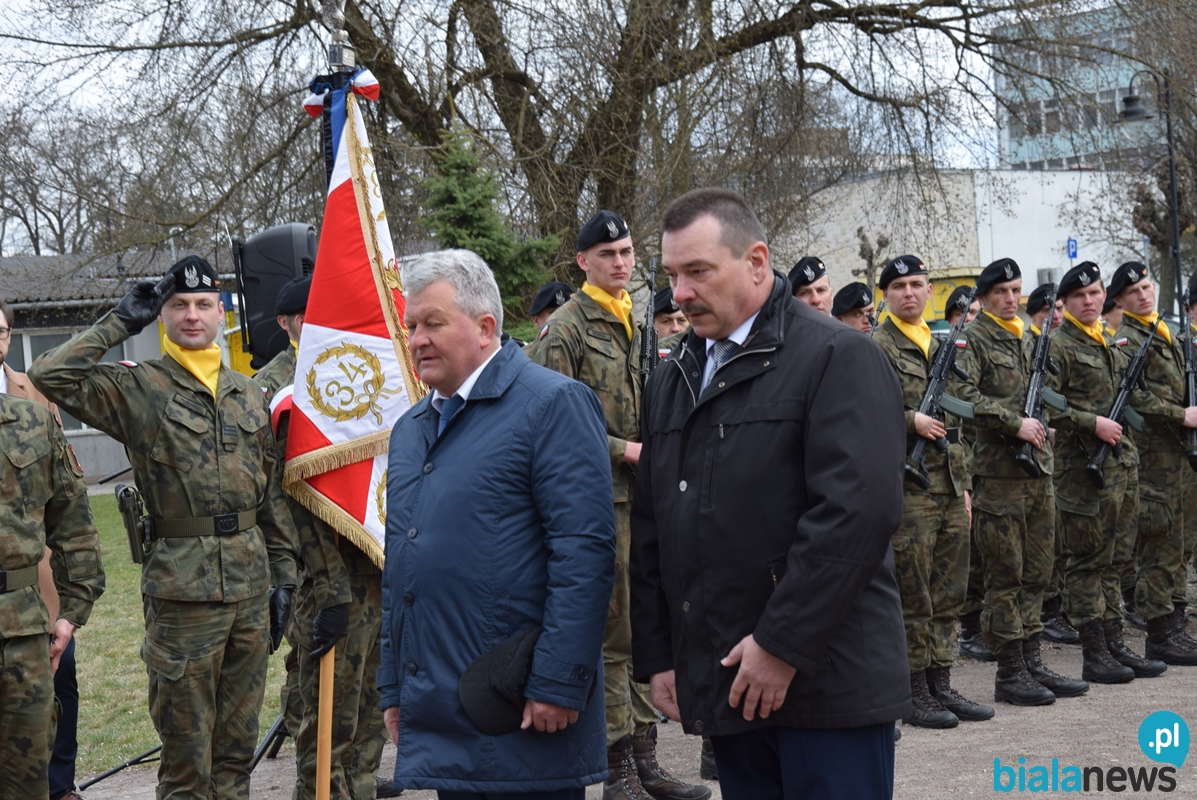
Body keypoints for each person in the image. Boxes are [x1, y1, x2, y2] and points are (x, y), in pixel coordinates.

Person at [631, 188, 910, 799]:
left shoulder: (838, 356)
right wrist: (661, 655)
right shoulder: (671, 378)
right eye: (672, 276)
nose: (680, 293)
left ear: (756, 262)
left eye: (697, 271)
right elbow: (655, 522)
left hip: (826, 685)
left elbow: (856, 514)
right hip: (733, 684)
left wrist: (779, 645)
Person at [29, 255, 300, 799]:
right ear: (162, 315)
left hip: (250, 593)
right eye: (179, 305)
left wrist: (285, 576)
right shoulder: (140, 388)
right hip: (182, 601)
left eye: (203, 304)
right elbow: (48, 375)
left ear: (221, 313)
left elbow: (268, 494)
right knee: (186, 763)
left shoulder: (247, 392)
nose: (192, 315)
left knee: (235, 755)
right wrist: (118, 323)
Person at [378, 248, 615, 798]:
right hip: (443, 707)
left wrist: (558, 680)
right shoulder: (412, 429)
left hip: (520, 705)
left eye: (433, 323)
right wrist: (394, 687)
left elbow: (584, 554)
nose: (417, 340)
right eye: (412, 326)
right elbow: (401, 571)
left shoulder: (552, 405)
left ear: (486, 328)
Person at [531, 211, 708, 800]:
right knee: (610, 638)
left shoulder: (636, 321)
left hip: (646, 498)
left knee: (642, 628)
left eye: (628, 252)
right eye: (607, 254)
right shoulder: (567, 329)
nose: (621, 262)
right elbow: (550, 422)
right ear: (582, 261)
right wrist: (625, 449)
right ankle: (616, 768)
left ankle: (646, 757)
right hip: (596, 502)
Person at [254, 275, 393, 800]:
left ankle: (361, 787)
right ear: (286, 323)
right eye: (307, 316)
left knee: (373, 704)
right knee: (328, 714)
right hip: (322, 573)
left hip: (375, 560)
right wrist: (324, 582)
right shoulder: (275, 388)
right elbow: (280, 498)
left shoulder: (365, 369)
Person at [954, 258, 1088, 706]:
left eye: (1015, 290)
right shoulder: (972, 340)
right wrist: (1015, 423)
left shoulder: (1029, 338)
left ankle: (1032, 659)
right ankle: (1010, 670)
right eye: (1001, 292)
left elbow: (1043, 394)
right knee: (1005, 573)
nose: (1011, 298)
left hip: (1038, 472)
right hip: (999, 476)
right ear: (984, 297)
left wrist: (1043, 422)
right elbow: (961, 397)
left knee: (1038, 571)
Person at [872, 256, 991, 729]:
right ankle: (913, 689)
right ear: (885, 295)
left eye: (917, 284)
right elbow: (862, 412)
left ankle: (941, 681)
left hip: (949, 485)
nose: (909, 293)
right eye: (899, 285)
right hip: (909, 488)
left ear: (929, 291)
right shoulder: (875, 347)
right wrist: (910, 421)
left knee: (949, 591)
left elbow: (959, 420)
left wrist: (964, 485)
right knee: (914, 594)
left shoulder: (942, 343)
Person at [1047, 262, 1163, 683]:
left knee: (1116, 559)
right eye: (1079, 296)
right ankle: (1094, 651)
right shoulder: (1058, 346)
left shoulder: (1108, 340)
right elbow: (1044, 405)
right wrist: (1091, 422)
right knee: (1086, 563)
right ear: (1065, 302)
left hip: (1119, 466)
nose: (1089, 301)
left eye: (1095, 293)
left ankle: (1114, 643)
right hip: (1082, 472)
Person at [0, 297, 91, 800]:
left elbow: (69, 512)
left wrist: (71, 609)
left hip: (28, 599)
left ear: (9, 336)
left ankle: (60, 786)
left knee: (50, 705)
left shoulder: (32, 403)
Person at [1108, 261, 1197, 665]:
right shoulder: (1127, 340)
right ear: (1120, 300)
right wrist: (1181, 416)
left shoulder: (1167, 333)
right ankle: (1159, 634)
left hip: (1180, 456)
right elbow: (1133, 398)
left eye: (1146, 287)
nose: (1143, 295)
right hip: (1154, 458)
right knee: (1159, 545)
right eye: (1133, 292)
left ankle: (1176, 625)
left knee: (1180, 544)